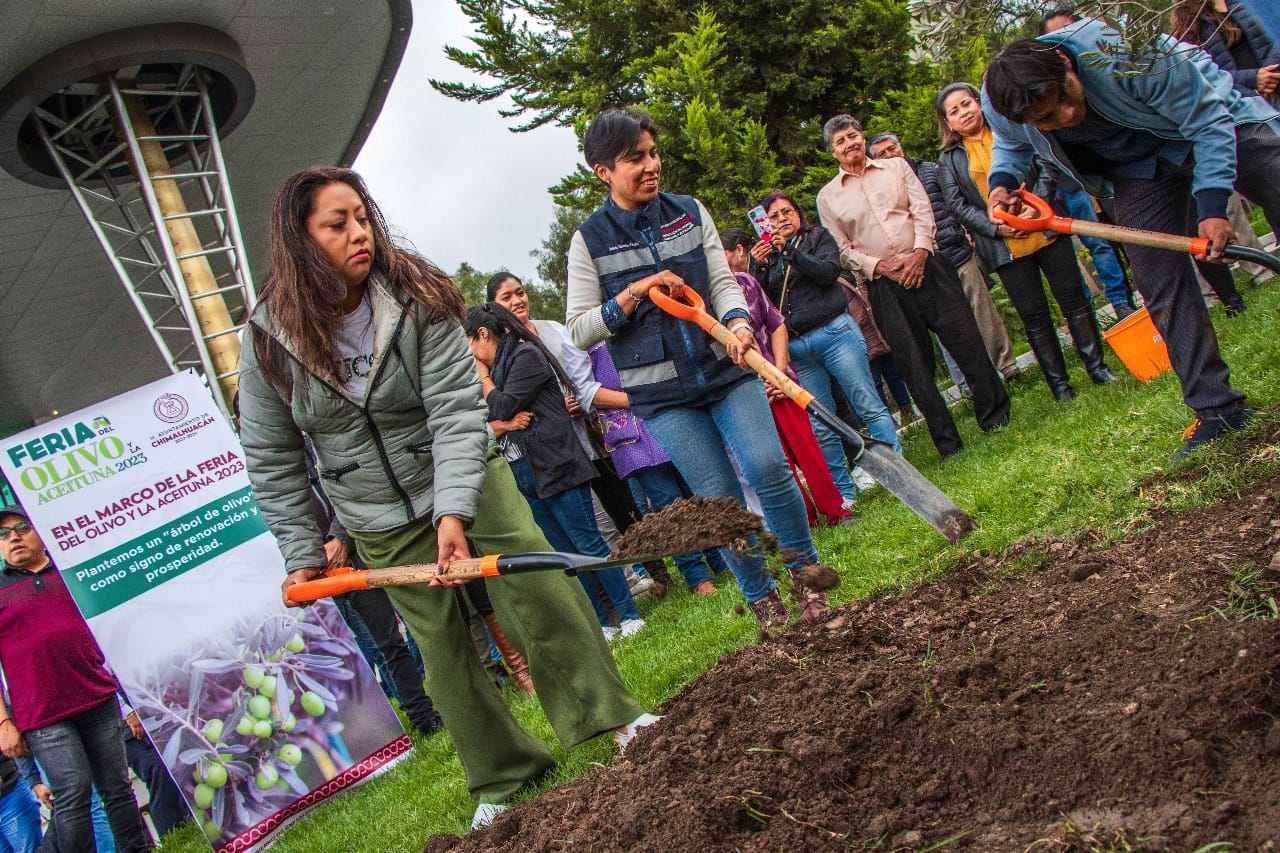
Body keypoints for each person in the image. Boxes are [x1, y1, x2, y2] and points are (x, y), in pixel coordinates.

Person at [236, 167, 656, 830]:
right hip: (374, 511)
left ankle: (615, 716)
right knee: (440, 644)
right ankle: (503, 770)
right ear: (299, 240)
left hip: (462, 470)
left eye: (361, 216)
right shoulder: (267, 337)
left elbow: (458, 410)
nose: (358, 233)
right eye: (336, 223)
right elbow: (272, 460)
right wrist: (300, 551)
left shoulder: (415, 295)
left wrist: (454, 511)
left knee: (538, 587)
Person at [564, 108, 825, 629]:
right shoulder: (588, 240)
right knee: (719, 501)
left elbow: (722, 280)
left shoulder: (688, 211)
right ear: (603, 172)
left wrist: (738, 322)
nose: (650, 165)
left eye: (653, 153)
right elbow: (578, 329)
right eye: (633, 159)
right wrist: (632, 296)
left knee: (768, 469)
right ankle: (762, 600)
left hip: (724, 368)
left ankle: (809, 580)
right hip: (661, 395)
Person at [982, 22, 1279, 456]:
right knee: (1157, 279)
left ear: (1066, 63)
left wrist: (1213, 208)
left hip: (1214, 119)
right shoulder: (999, 103)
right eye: (1047, 118)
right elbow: (1010, 148)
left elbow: (1208, 121)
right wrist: (1000, 186)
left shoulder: (1122, 54)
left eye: (1066, 95)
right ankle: (1218, 409)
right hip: (1139, 169)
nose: (1066, 114)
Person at [816, 114, 1011, 460]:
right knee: (914, 366)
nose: (850, 144)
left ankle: (995, 416)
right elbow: (842, 248)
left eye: (852, 135)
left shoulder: (896, 168)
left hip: (928, 267)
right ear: (833, 152)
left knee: (967, 341)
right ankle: (947, 442)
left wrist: (920, 252)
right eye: (840, 141)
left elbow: (922, 210)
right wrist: (882, 267)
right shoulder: (828, 197)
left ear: (862, 137)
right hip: (884, 285)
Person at [464, 302, 645, 641]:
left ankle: (629, 613)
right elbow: (493, 417)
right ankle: (603, 622)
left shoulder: (524, 356)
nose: (471, 355)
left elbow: (502, 406)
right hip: (527, 472)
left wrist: (486, 381)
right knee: (562, 554)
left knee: (589, 545)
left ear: (483, 335)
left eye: (471, 344)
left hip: (559, 465)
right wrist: (501, 420)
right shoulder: (502, 364)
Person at [486, 273, 670, 596]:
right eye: (507, 297)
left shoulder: (553, 331)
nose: (517, 300)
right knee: (593, 526)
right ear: (494, 307)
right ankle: (623, 586)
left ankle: (659, 574)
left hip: (589, 438)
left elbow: (582, 378)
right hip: (551, 453)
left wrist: (580, 402)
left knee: (624, 509)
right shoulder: (499, 353)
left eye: (520, 292)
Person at [936, 81, 1119, 401]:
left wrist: (1038, 207)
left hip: (1046, 227)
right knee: (1035, 318)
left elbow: (1046, 165)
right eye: (954, 111)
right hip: (1005, 247)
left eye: (967, 104)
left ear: (979, 104)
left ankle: (1097, 367)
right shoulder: (949, 161)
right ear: (948, 123)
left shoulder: (1012, 130)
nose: (963, 113)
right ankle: (1060, 386)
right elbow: (957, 206)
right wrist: (996, 229)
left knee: (1074, 301)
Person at [0, 507, 152, 852]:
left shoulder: (75, 575)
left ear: (40, 533)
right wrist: (3, 721)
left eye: (22, 528)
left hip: (96, 697)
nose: (13, 537)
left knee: (117, 788)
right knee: (73, 792)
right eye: (4, 534)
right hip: (42, 714)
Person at [748, 190, 901, 508]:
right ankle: (844, 492)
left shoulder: (818, 238)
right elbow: (759, 303)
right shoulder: (768, 257)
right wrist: (757, 266)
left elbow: (827, 273)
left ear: (798, 213)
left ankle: (895, 471)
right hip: (797, 349)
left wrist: (790, 253)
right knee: (822, 421)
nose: (781, 220)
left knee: (866, 403)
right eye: (773, 216)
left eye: (787, 212)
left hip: (835, 334)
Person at [722, 227, 856, 531]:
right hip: (746, 395)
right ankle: (804, 521)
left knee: (808, 448)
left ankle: (835, 510)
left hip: (779, 382)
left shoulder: (744, 282)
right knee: (776, 462)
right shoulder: (700, 306)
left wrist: (779, 373)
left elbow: (777, 324)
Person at [585, 340, 734, 593]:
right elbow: (586, 390)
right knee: (667, 504)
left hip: (668, 413)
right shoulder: (585, 342)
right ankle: (696, 576)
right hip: (632, 434)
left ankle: (721, 561)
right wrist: (638, 397)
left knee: (695, 493)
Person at [867, 131, 1019, 377]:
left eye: (891, 148)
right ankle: (967, 380)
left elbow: (955, 204)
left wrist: (966, 233)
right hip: (923, 264)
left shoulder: (930, 170)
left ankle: (1006, 364)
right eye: (881, 154)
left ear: (901, 148)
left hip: (954, 249)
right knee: (945, 323)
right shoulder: (877, 191)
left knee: (981, 309)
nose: (889, 155)